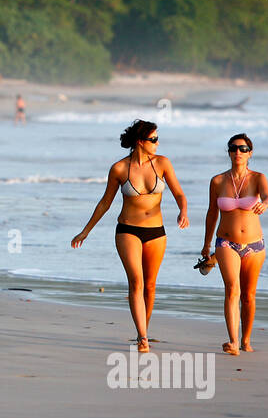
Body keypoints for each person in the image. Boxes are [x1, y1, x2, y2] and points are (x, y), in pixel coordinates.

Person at [71, 119, 189, 353]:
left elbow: (179, 194)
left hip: (156, 231)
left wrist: (183, 211)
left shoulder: (163, 163)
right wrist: (86, 230)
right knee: (136, 282)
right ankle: (143, 337)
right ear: (140, 142)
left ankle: (142, 328)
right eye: (153, 139)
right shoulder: (119, 168)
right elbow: (105, 202)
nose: (157, 143)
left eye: (157, 139)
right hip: (128, 230)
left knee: (151, 285)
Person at [202, 133, 268, 356]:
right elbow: (212, 213)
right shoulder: (218, 181)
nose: (238, 152)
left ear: (250, 153)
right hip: (226, 243)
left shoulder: (258, 178)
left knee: (248, 295)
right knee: (232, 289)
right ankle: (232, 341)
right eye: (233, 148)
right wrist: (206, 244)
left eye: (243, 149)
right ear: (229, 152)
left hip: (254, 245)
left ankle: (246, 339)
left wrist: (266, 204)